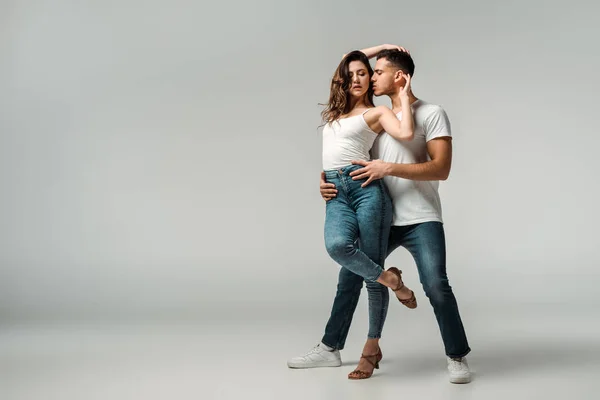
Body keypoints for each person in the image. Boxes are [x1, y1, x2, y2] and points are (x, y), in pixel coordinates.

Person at [287, 45, 472, 384]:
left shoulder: (431, 113)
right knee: (349, 276)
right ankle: (332, 347)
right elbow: (349, 156)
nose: (371, 78)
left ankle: (456, 356)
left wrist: (389, 167)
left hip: (420, 216)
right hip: (381, 214)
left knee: (435, 285)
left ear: (399, 76)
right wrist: (326, 181)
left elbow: (441, 168)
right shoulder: (377, 116)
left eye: (378, 72)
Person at [290, 50, 417, 380]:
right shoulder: (334, 113)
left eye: (365, 73)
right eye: (353, 74)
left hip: (365, 192)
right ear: (342, 80)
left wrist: (402, 93)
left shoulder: (376, 114)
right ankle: (392, 280)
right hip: (336, 193)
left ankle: (365, 348)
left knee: (361, 276)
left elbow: (404, 132)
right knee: (338, 247)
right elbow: (348, 55)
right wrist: (384, 45)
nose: (359, 78)